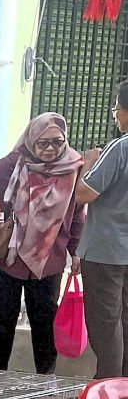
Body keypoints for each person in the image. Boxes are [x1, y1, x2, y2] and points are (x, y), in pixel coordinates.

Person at [0, 113, 85, 374]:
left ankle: (45, 380)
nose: (51, 149)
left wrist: (75, 251)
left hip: (49, 257)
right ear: (31, 141)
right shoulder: (16, 162)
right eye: (43, 143)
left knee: (45, 320)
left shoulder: (74, 167)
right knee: (1, 319)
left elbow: (77, 213)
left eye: (57, 142)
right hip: (6, 257)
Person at [75, 83, 128, 379]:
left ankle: (106, 385)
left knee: (105, 321)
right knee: (126, 319)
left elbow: (84, 193)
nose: (116, 116)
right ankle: (124, 390)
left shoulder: (119, 148)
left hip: (106, 251)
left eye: (117, 110)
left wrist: (88, 165)